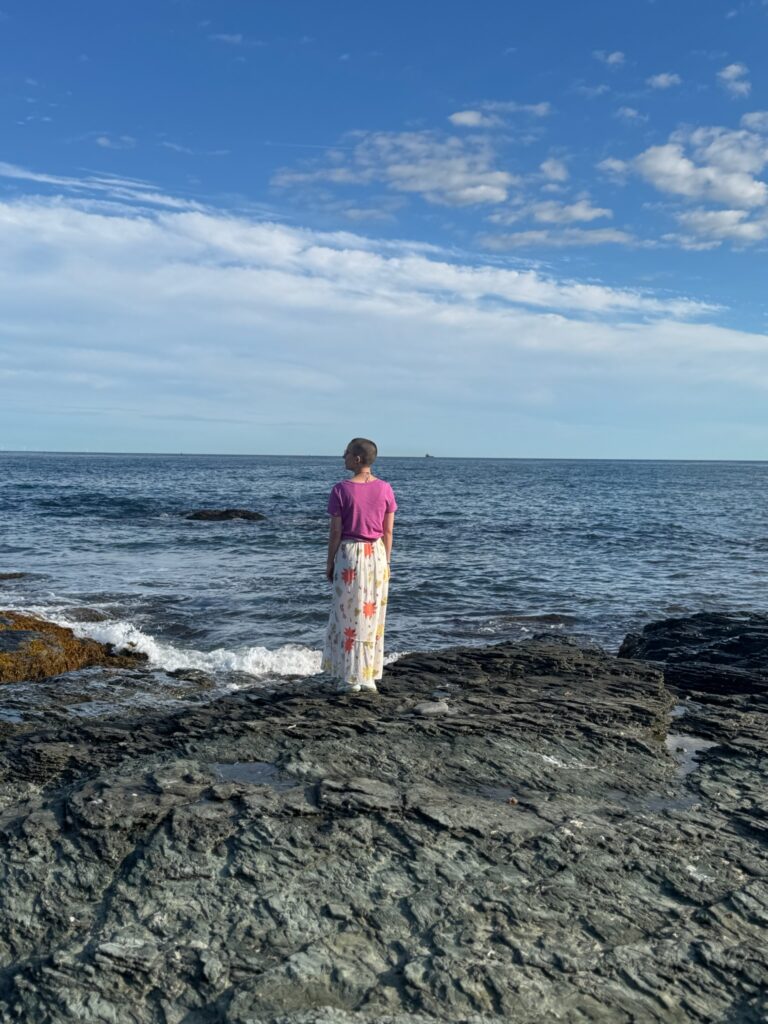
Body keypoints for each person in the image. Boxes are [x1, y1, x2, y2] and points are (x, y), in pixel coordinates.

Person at [321, 438, 397, 693]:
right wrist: (386, 561)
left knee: (347, 614)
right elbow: (388, 531)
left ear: (356, 459)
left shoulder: (340, 490)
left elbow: (335, 532)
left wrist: (329, 562)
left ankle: (351, 676)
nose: (342, 456)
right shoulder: (385, 488)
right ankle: (369, 675)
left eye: (346, 453)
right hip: (376, 553)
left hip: (350, 553)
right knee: (372, 614)